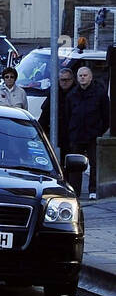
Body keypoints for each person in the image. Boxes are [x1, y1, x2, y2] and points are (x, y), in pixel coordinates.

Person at [69, 65, 110, 199]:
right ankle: (75, 191)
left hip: (93, 134)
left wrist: (98, 130)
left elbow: (106, 116)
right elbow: (68, 114)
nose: (82, 77)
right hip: (77, 134)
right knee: (75, 164)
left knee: (94, 164)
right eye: (80, 75)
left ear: (91, 77)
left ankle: (93, 190)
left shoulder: (100, 93)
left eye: (85, 75)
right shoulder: (72, 95)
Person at [39, 65, 76, 165]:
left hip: (72, 135)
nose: (64, 82)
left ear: (72, 80)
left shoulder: (77, 93)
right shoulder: (54, 93)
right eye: (62, 80)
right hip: (56, 133)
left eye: (67, 80)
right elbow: (45, 113)